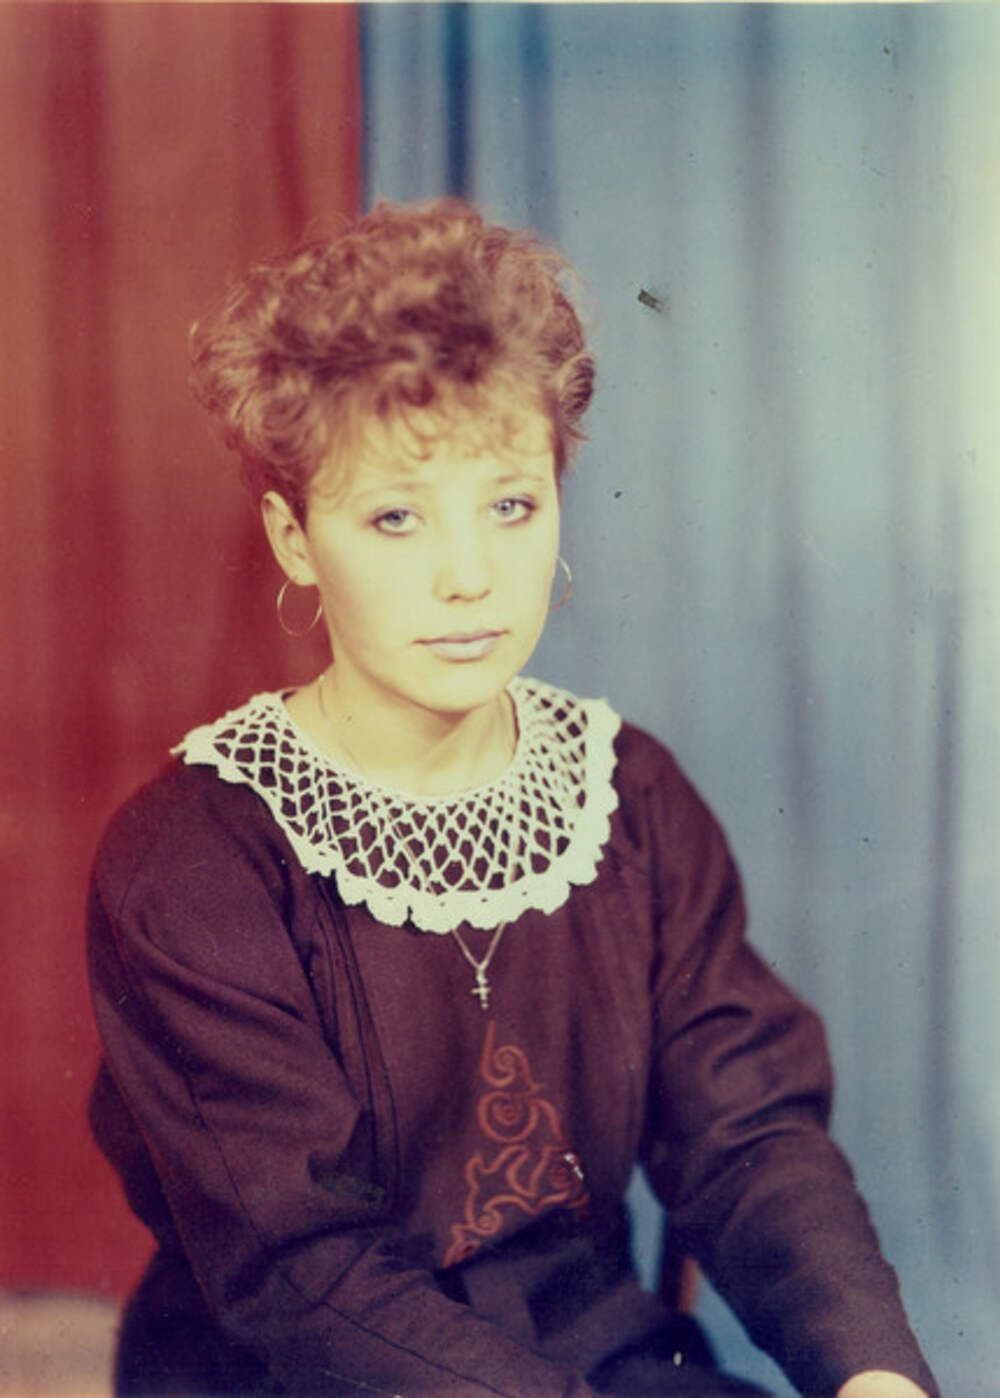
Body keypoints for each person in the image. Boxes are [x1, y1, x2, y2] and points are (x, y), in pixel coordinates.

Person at [87, 199, 939, 1398]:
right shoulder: (190, 861)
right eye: (395, 516)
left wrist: (871, 1372)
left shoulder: (630, 798)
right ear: (293, 536)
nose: (469, 574)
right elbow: (306, 1274)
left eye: (510, 504)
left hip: (601, 1362)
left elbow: (747, 1136)